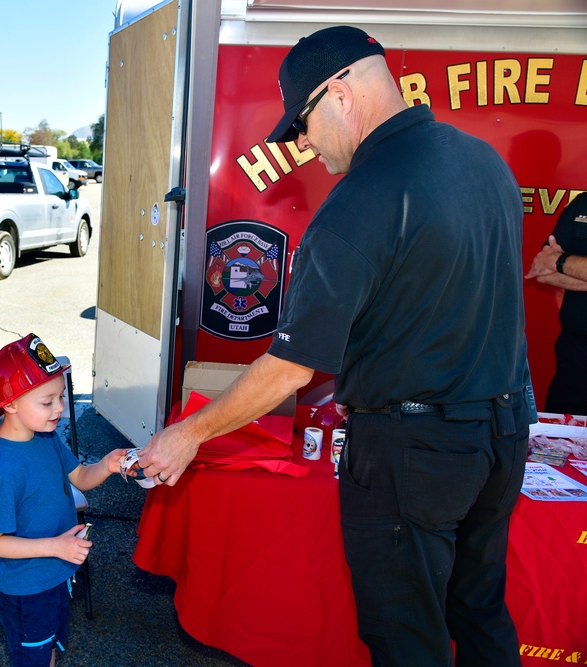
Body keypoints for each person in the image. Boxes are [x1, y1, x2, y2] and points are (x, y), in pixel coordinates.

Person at [137, 25, 529, 667]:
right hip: (505, 431)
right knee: (480, 609)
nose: (304, 143)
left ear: (339, 94)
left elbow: (291, 366)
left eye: (302, 123)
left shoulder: (362, 200)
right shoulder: (485, 162)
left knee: (407, 637)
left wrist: (188, 434)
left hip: (416, 453)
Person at [0, 333, 127, 667]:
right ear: (10, 405)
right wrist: (56, 547)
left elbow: (80, 478)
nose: (60, 408)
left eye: (60, 396)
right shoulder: (2, 472)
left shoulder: (46, 437)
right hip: (27, 588)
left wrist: (107, 464)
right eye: (47, 401)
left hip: (55, 572)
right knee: (33, 658)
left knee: (49, 650)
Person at [526, 191, 587, 415]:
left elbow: (553, 263)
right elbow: (543, 272)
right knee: (560, 437)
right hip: (576, 355)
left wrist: (561, 261)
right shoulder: (582, 204)